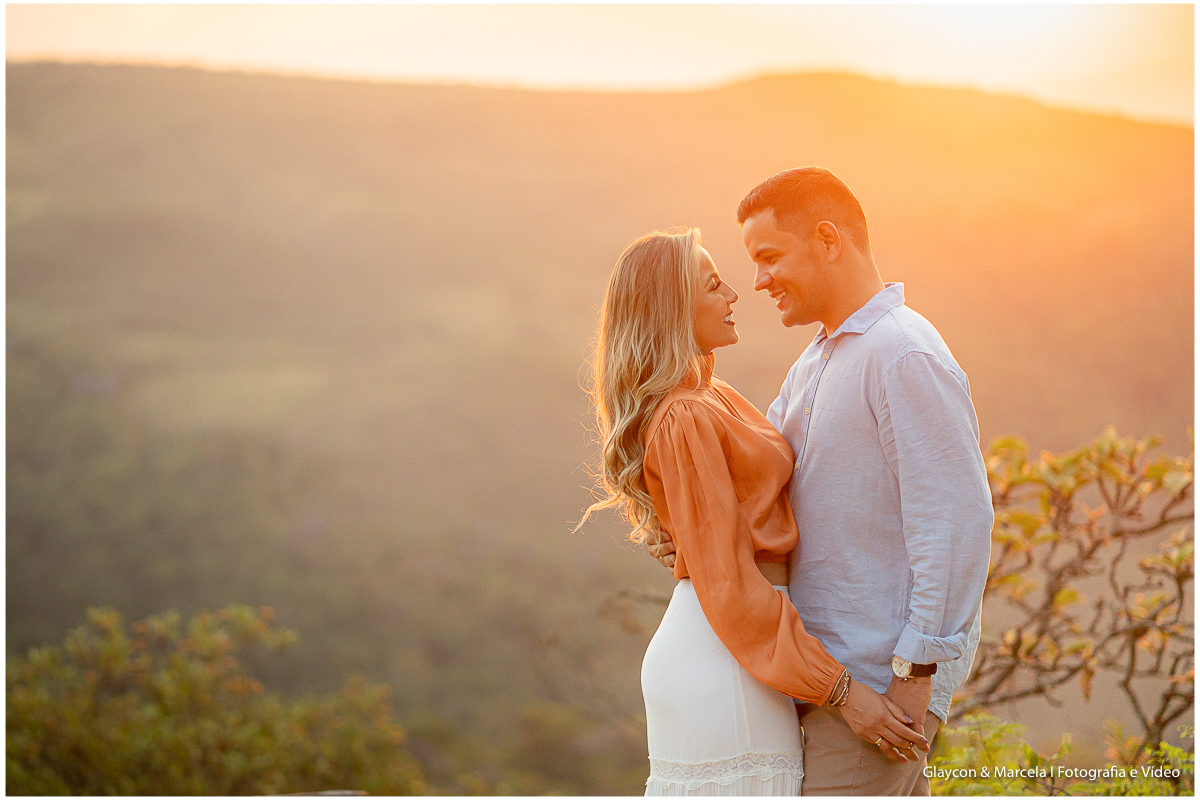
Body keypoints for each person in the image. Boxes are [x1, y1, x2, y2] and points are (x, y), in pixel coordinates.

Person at [649, 168, 994, 795]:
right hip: (824, 684)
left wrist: (915, 674)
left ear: (828, 240)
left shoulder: (903, 353)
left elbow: (953, 524)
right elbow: (769, 487)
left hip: (876, 688)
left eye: (769, 257)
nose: (757, 281)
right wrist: (696, 533)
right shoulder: (819, 360)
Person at [579, 228, 928, 796]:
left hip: (743, 650)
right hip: (727, 658)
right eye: (713, 284)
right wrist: (842, 691)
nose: (734, 294)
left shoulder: (714, 396)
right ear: (672, 310)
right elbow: (732, 587)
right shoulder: (686, 415)